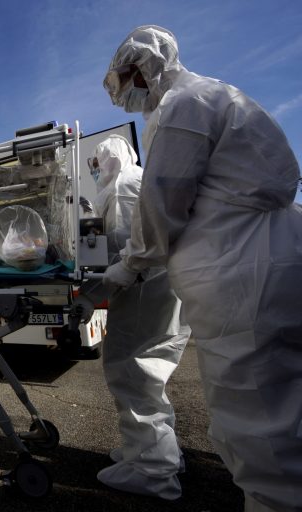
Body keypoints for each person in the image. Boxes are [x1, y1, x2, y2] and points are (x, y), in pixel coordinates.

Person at [101, 26, 302, 511]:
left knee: (255, 416)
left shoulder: (184, 106)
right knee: (275, 404)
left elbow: (161, 203)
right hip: (250, 264)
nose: (124, 92)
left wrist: (126, 268)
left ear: (146, 64)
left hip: (240, 273)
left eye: (126, 77)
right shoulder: (213, 98)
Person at [74, 135, 190, 499]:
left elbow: (124, 257)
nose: (94, 171)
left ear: (109, 158)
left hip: (145, 291)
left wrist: (90, 296)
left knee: (134, 372)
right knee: (151, 374)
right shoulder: (136, 180)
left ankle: (155, 472)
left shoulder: (123, 187)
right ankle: (154, 451)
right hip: (161, 289)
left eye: (96, 163)